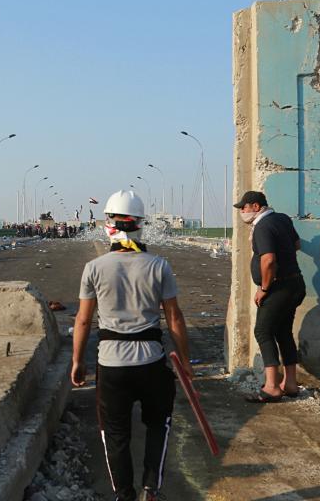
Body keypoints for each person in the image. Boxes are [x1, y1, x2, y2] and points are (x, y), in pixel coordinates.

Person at [71, 190, 191, 501]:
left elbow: (83, 321)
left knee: (114, 433)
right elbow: (174, 318)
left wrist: (77, 360)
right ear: (140, 224)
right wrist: (185, 361)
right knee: (158, 426)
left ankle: (124, 494)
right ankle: (151, 490)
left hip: (111, 365)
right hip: (151, 362)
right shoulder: (159, 265)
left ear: (108, 224)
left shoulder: (94, 268)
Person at [235, 190, 305, 403]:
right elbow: (297, 244)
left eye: (244, 208)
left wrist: (264, 288)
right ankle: (290, 384)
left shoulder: (262, 226)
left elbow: (268, 260)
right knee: (283, 332)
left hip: (278, 288)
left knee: (263, 331)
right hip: (295, 284)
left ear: (256, 207)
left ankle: (272, 386)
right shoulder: (281, 219)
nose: (242, 213)